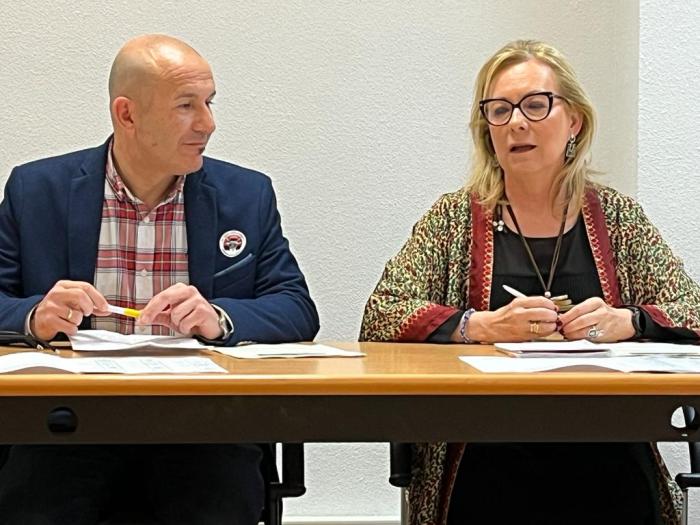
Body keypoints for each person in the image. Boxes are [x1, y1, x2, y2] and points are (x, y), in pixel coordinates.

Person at [360, 40, 700, 525]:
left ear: (575, 121)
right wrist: (479, 327)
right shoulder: (455, 218)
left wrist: (628, 320)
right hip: (483, 451)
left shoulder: (617, 217)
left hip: (608, 445)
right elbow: (381, 314)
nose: (517, 122)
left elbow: (691, 306)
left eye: (536, 105)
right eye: (499, 111)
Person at [0, 34, 319, 525]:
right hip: (69, 424)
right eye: (186, 106)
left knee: (217, 501)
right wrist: (34, 315)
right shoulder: (36, 189)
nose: (208, 124)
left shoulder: (245, 194)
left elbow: (296, 307)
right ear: (127, 114)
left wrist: (218, 317)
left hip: (201, 425)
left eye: (209, 103)